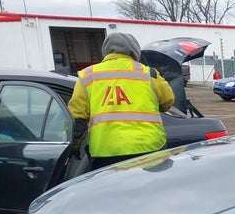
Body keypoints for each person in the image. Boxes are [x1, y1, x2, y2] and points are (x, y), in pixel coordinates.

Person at [68, 32, 175, 169]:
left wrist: (75, 146)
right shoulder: (148, 73)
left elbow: (78, 118)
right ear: (135, 51)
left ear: (105, 51)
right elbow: (168, 101)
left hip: (106, 152)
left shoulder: (87, 76)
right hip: (148, 148)